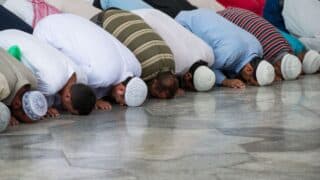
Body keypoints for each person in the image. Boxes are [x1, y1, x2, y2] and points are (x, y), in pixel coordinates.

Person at [34, 14, 148, 107]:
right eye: (122, 100)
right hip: (47, 32)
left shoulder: (136, 67)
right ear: (121, 89)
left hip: (66, 19)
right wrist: (93, 101)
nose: (120, 104)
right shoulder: (103, 76)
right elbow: (71, 79)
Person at [94, 8, 215, 92]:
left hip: (132, 16)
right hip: (103, 22)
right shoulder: (144, 69)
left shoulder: (206, 56)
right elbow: (134, 87)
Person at [0, 30, 97, 117]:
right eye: (70, 111)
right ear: (67, 96)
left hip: (17, 33)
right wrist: (43, 107)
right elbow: (26, 96)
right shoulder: (51, 85)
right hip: (5, 42)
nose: (67, 111)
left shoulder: (82, 76)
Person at [175, 9, 275, 88]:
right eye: (249, 80)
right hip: (184, 24)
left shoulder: (258, 48)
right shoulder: (230, 54)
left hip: (204, 13)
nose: (247, 83)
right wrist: (225, 81)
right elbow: (207, 66)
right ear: (249, 69)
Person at [218, 7, 307, 79]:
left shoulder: (287, 46)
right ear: (276, 66)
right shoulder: (261, 50)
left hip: (234, 11)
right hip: (224, 18)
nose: (278, 79)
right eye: (279, 75)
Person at [0, 47, 48, 125]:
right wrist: (6, 116)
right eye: (19, 117)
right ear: (16, 104)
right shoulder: (3, 86)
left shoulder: (33, 81)